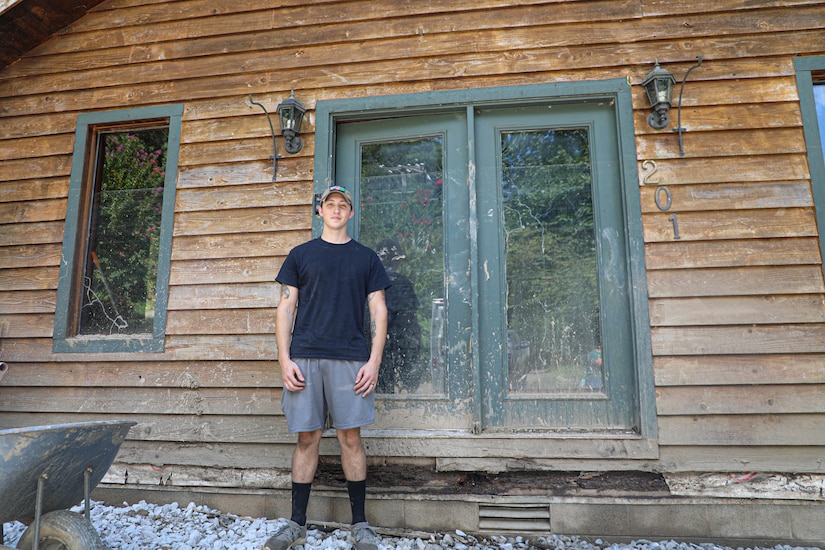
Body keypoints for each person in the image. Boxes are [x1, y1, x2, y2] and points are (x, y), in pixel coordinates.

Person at [266, 185, 390, 550]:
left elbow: (378, 310)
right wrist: (284, 359)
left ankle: (361, 525)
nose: (336, 210)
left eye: (343, 205)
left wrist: (374, 361)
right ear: (319, 211)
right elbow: (285, 308)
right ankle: (296, 524)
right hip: (304, 357)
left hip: (352, 359)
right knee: (308, 438)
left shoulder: (366, 258)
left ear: (351, 213)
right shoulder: (301, 255)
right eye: (329, 204)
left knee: (351, 437)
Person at [374, 238, 423, 393]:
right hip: (395, 343)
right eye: (397, 260)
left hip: (379, 345)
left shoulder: (370, 283)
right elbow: (409, 323)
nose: (399, 264)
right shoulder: (401, 283)